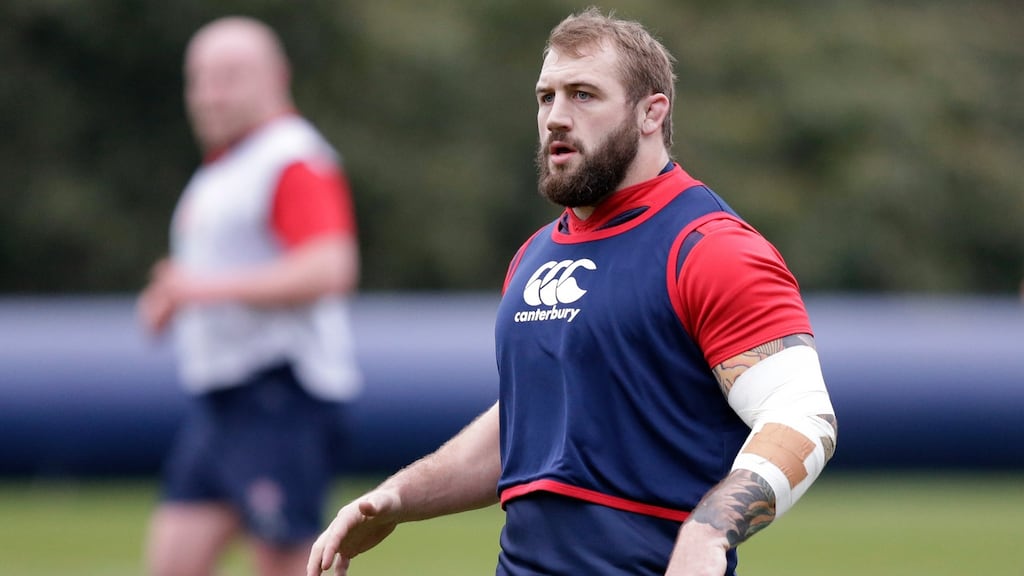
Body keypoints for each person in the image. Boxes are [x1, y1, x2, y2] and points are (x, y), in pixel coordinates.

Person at [307, 7, 837, 576]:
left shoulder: (709, 248)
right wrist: (396, 498)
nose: (556, 117)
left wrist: (709, 530)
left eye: (583, 95)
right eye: (546, 97)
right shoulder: (535, 256)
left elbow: (803, 417)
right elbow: (526, 425)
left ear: (651, 112)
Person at [137, 16, 361, 576]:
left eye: (229, 77)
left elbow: (331, 266)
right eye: (199, 79)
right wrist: (175, 294)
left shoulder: (290, 157)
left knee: (289, 561)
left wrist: (200, 289)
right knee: (173, 561)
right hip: (223, 398)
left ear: (276, 77)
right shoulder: (226, 167)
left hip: (278, 393)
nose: (209, 94)